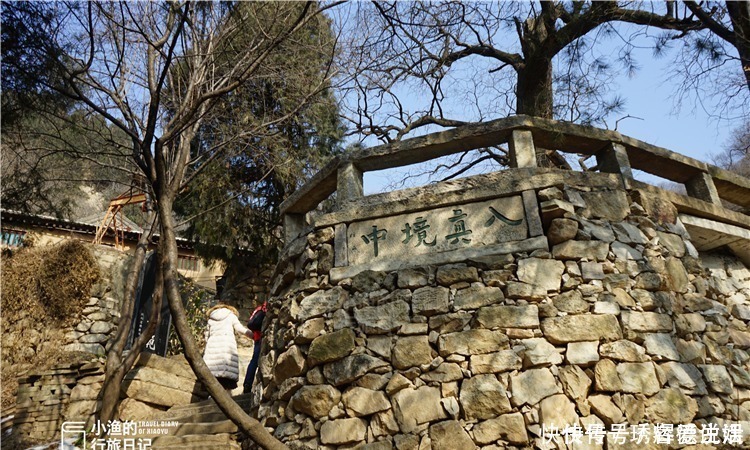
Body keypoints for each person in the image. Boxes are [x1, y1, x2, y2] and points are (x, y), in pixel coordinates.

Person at [203, 303, 252, 393]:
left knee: (213, 375)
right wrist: (253, 335)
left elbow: (206, 337)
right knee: (226, 376)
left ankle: (211, 396)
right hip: (226, 346)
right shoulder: (231, 316)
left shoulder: (211, 319)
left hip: (212, 347)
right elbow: (240, 329)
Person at [243, 301, 267, 394]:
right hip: (263, 337)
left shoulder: (258, 309)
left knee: (254, 361)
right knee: (260, 361)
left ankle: (247, 385)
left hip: (257, 338)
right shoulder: (266, 307)